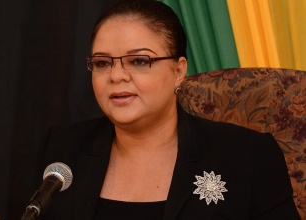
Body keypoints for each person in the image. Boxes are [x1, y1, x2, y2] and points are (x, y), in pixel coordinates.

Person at [29, 0, 300, 219]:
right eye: (102, 63)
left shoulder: (247, 156)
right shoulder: (63, 149)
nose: (116, 76)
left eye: (138, 61)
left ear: (179, 71)